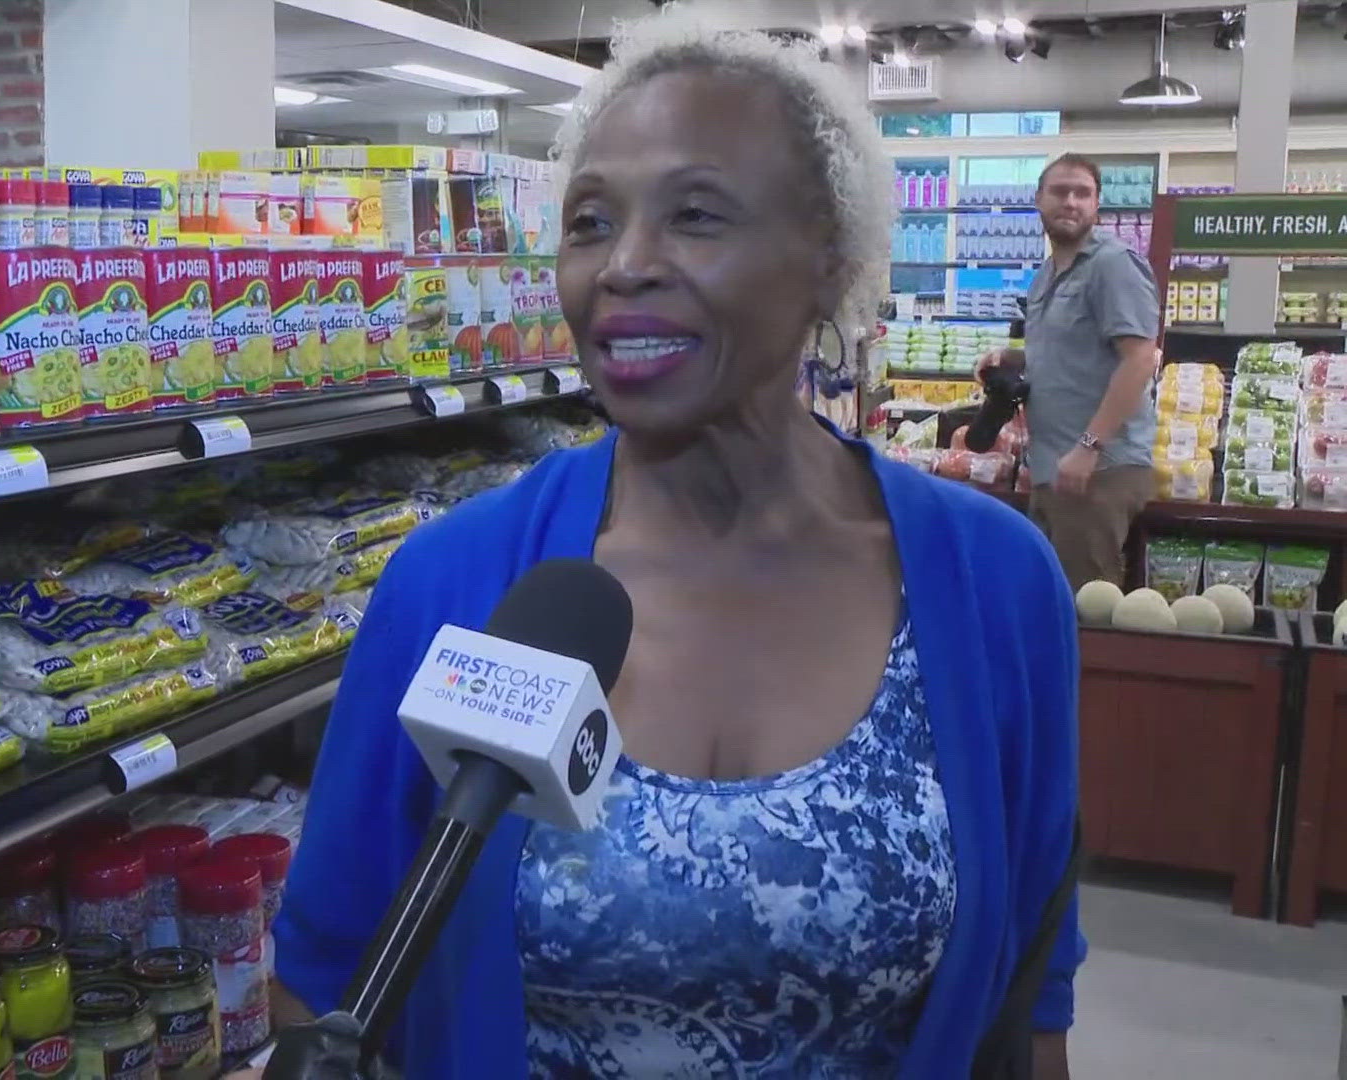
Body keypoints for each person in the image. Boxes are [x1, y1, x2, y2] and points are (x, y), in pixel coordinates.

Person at [258, 12, 1082, 1080]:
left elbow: (1030, 996)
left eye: (696, 215)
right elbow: (322, 977)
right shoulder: (455, 583)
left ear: (829, 262)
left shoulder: (998, 588)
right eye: (591, 222)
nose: (625, 265)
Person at [979, 152, 1161, 591]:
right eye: (1061, 191)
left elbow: (1139, 358)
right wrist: (1009, 358)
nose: (1072, 202)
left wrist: (1088, 446)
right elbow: (1066, 352)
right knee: (1051, 605)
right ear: (1038, 199)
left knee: (1085, 610)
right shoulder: (1046, 274)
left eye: (1084, 193)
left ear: (1097, 205)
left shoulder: (1113, 265)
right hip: (1054, 468)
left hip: (1099, 472)